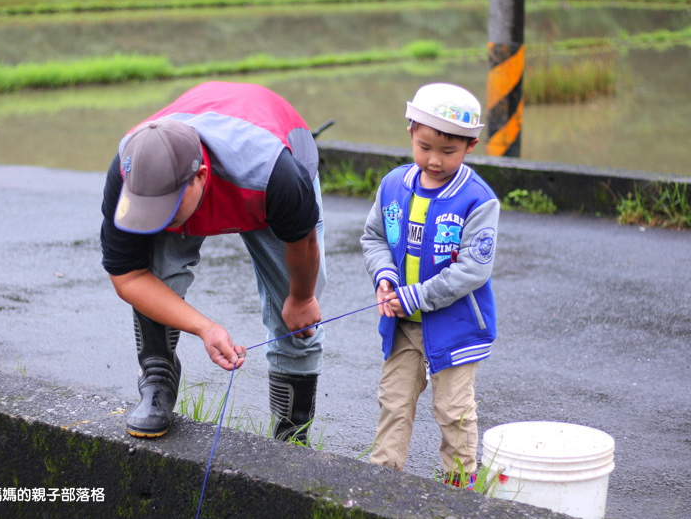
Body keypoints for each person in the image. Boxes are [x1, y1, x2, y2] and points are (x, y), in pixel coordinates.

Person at [100, 81, 326, 443]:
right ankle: (157, 380)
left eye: (166, 209)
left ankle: (292, 436)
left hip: (269, 159)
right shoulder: (129, 170)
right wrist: (205, 327)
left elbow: (304, 243)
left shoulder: (277, 176)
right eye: (147, 209)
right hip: (205, 148)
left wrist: (301, 298)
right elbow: (128, 276)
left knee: (297, 318)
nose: (156, 220)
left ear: (200, 178)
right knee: (154, 268)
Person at [360, 83, 499, 488]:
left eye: (448, 151)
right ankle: (381, 482)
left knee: (454, 410)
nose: (434, 160)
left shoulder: (478, 199)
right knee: (394, 402)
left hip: (454, 328)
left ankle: (459, 488)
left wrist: (415, 296)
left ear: (471, 144)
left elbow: (474, 269)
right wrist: (385, 278)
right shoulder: (394, 186)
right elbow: (374, 239)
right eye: (425, 147)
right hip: (403, 325)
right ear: (410, 133)